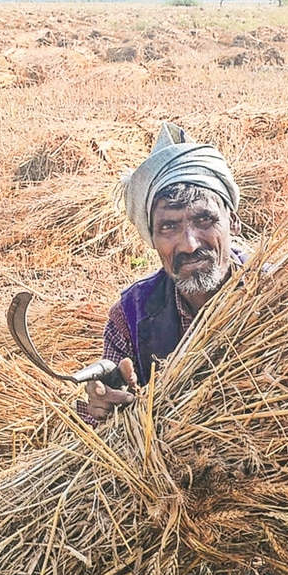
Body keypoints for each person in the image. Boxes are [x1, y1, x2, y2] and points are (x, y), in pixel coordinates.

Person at [79, 123, 242, 424]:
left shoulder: (280, 290)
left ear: (233, 224)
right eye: (169, 227)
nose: (190, 244)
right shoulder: (132, 315)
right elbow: (103, 408)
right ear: (151, 239)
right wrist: (104, 405)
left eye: (205, 220)